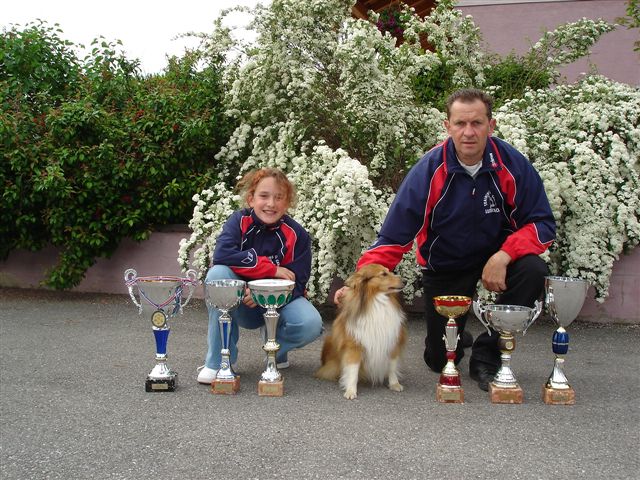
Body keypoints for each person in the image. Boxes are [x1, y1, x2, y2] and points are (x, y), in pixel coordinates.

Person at [334, 89, 556, 391]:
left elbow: (542, 223)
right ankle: (454, 334)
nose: (468, 132)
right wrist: (355, 283)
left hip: (497, 257)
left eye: (477, 123)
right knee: (439, 361)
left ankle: (488, 354)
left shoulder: (513, 165)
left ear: (491, 126)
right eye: (460, 124)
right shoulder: (428, 170)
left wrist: (504, 255)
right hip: (446, 263)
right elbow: (393, 238)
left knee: (533, 270)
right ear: (447, 126)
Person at [197, 168, 323, 384]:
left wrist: (263, 295)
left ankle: (274, 348)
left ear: (288, 203)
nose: (271, 204)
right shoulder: (238, 221)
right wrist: (270, 269)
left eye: (279, 197)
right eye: (264, 196)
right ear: (251, 198)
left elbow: (298, 283)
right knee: (217, 275)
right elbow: (222, 255)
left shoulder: (298, 235)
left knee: (310, 323)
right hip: (241, 304)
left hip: (277, 304)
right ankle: (219, 362)